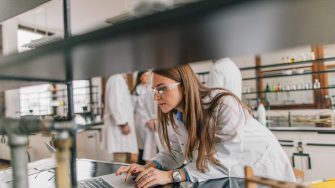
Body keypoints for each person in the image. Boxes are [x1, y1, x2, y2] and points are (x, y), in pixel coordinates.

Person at [116, 64, 295, 187]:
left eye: (162, 89)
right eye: (154, 90)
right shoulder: (175, 113)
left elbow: (225, 159)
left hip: (262, 172)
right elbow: (175, 153)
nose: (156, 97)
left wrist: (171, 176)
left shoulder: (223, 104)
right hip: (228, 178)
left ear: (184, 86)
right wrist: (148, 168)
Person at [103, 74, 138, 163]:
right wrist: (123, 124)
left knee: (124, 156)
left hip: (122, 125)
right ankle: (119, 177)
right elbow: (115, 104)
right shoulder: (116, 79)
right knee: (120, 158)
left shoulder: (119, 79)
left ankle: (123, 176)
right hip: (120, 127)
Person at [132, 71, 160, 164]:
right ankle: (141, 164)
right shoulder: (136, 90)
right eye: (145, 76)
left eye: (148, 76)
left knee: (150, 147)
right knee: (144, 147)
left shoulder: (149, 88)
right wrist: (148, 119)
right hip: (141, 121)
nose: (147, 77)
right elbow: (137, 108)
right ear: (140, 77)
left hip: (150, 120)